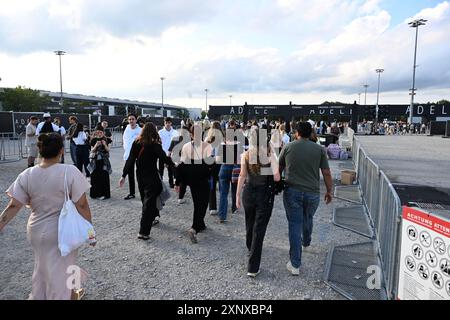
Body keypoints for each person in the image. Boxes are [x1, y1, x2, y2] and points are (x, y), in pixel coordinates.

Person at [0, 133, 93, 300]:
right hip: (63, 230)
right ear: (62, 151)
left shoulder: (27, 174)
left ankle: (71, 294)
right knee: (63, 267)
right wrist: (89, 230)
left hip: (36, 229)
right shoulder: (69, 171)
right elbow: (82, 205)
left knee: (44, 267)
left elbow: (14, 205)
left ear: (39, 150)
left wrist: (1, 223)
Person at [279, 122, 333, 276]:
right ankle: (306, 241)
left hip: (292, 191)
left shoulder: (288, 147)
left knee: (294, 225)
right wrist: (330, 191)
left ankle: (295, 264)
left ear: (297, 133)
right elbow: (327, 173)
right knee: (308, 217)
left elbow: (279, 168)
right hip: (312, 193)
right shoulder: (319, 149)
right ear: (311, 134)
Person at [236, 128, 280, 278]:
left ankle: (251, 247)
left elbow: (242, 176)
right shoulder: (269, 156)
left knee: (249, 223)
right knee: (259, 229)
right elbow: (277, 178)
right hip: (264, 194)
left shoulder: (246, 155)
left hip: (248, 192)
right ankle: (253, 267)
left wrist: (237, 196)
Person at [120, 123, 174, 240]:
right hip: (152, 177)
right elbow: (165, 159)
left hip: (140, 177)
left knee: (146, 201)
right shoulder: (155, 145)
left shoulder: (136, 142)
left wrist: (124, 175)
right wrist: (175, 165)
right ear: (154, 131)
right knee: (148, 204)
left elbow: (130, 159)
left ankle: (153, 217)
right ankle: (143, 232)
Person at [175, 125, 213, 243]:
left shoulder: (186, 146)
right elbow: (210, 164)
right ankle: (194, 228)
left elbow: (181, 166)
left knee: (198, 203)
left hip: (191, 180)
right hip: (202, 178)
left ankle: (200, 224)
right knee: (204, 203)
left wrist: (178, 182)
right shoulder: (207, 146)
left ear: (191, 134)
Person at [216, 125, 244, 222]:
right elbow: (241, 159)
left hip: (224, 168)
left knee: (223, 193)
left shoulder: (222, 144)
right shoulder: (239, 144)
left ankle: (222, 215)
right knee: (234, 190)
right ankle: (234, 208)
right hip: (235, 168)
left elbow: (218, 159)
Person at [205, 121, 223, 215]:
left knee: (212, 185)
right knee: (222, 185)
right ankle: (222, 204)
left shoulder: (207, 139)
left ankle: (213, 207)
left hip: (211, 163)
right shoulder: (223, 139)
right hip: (220, 163)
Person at [88, 125, 112, 200]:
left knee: (104, 177)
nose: (99, 133)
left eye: (100, 132)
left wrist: (104, 145)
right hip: (95, 161)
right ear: (95, 132)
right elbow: (92, 150)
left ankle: (105, 194)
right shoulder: (93, 140)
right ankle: (95, 194)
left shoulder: (107, 139)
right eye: (97, 132)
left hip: (104, 161)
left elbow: (108, 150)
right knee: (94, 177)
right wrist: (96, 145)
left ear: (103, 132)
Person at [122, 114, 142, 200]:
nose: (131, 121)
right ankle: (132, 193)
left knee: (140, 174)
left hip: (138, 155)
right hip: (128, 154)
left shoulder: (140, 130)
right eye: (129, 119)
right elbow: (124, 140)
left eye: (133, 119)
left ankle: (144, 192)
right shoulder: (127, 128)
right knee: (130, 174)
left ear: (136, 120)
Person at [158, 117, 178, 188]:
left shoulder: (175, 132)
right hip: (162, 153)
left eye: (169, 123)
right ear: (164, 123)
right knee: (161, 170)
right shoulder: (160, 132)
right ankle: (160, 183)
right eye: (166, 123)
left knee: (171, 170)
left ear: (171, 123)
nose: (168, 124)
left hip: (171, 154)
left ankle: (171, 183)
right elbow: (158, 143)